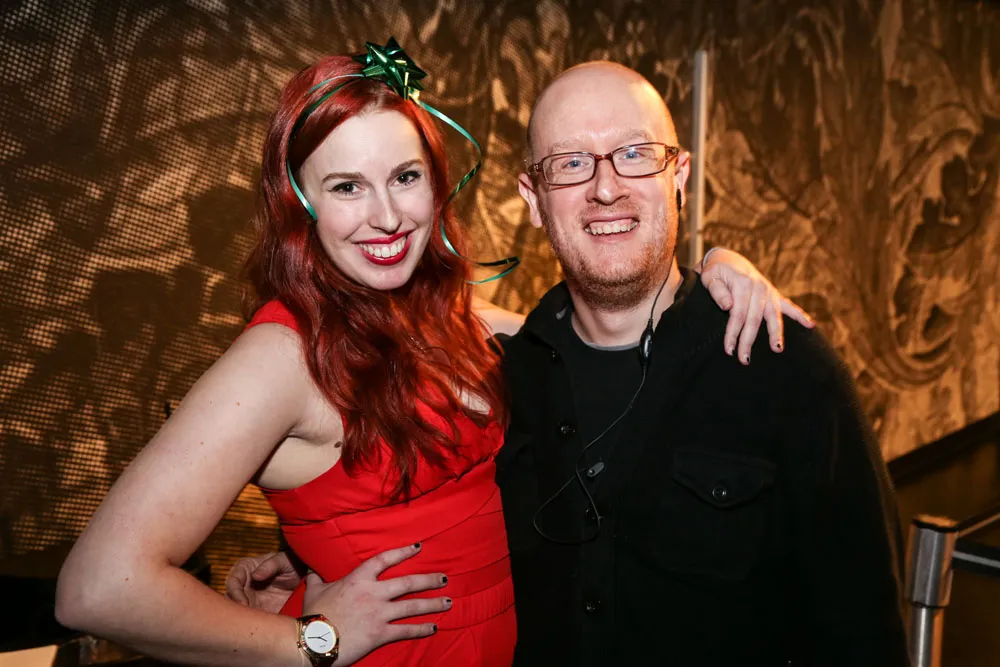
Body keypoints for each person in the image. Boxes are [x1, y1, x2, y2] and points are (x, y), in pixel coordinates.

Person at [56, 40, 809, 667]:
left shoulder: (453, 320)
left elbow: (602, 331)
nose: (386, 216)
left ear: (437, 186)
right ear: (299, 205)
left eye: (405, 177)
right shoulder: (281, 356)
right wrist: (314, 640)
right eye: (346, 186)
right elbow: (98, 587)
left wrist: (719, 271)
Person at [233, 60, 909, 667]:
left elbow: (865, 634)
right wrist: (310, 571)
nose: (606, 188)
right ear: (533, 198)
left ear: (679, 177)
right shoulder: (493, 374)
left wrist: (720, 261)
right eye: (571, 164)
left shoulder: (784, 371)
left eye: (635, 155)